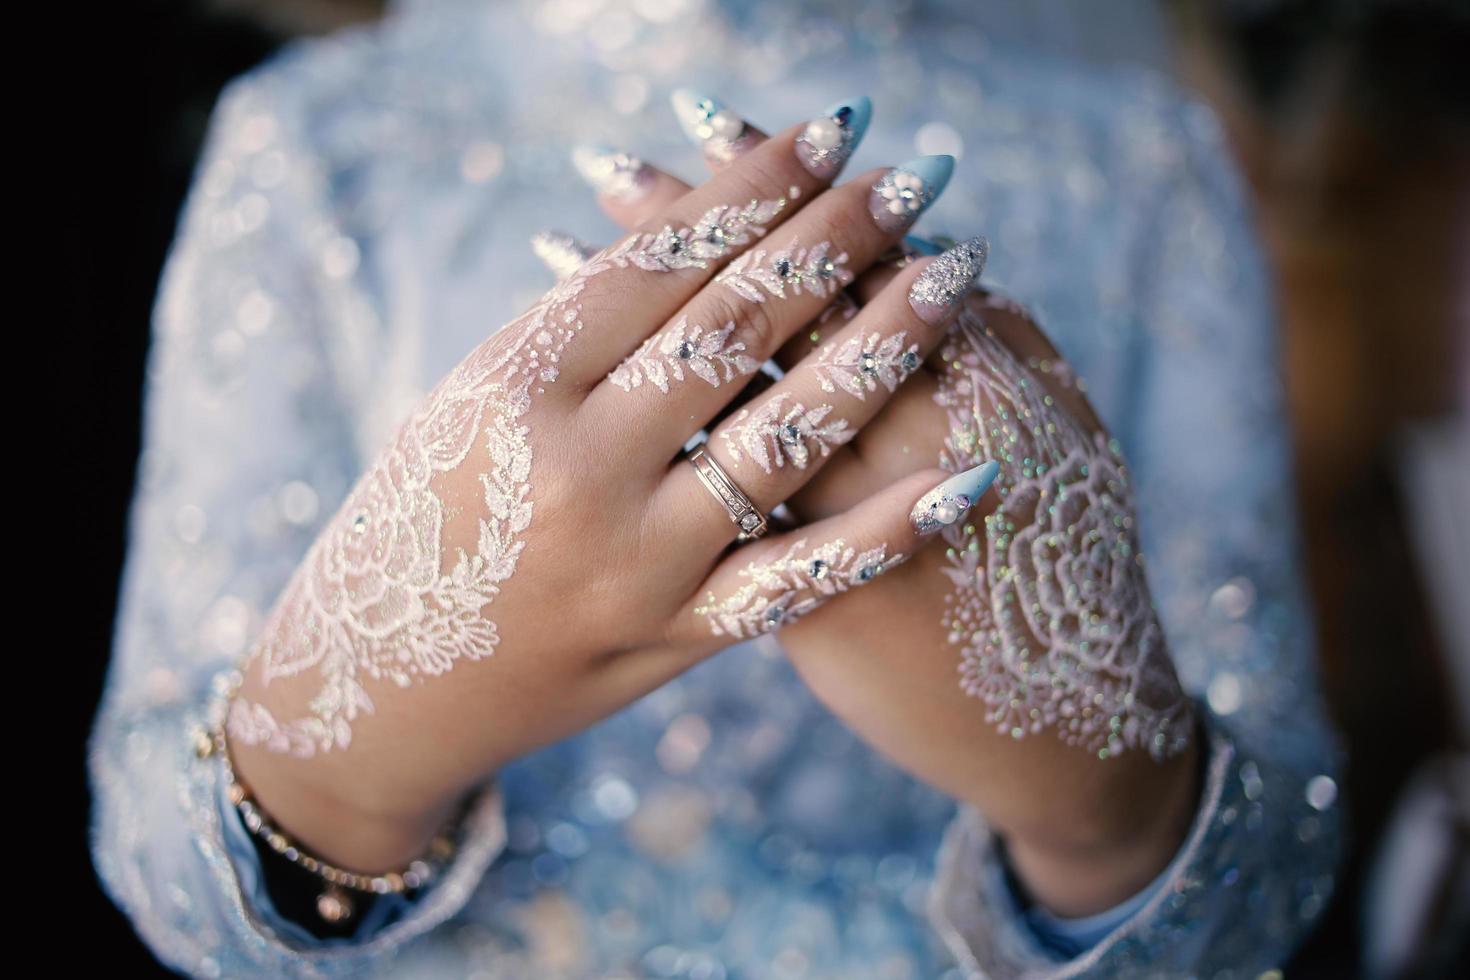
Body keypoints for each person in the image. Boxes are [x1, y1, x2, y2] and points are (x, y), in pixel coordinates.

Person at [88, 1, 1343, 975]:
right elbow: (159, 858)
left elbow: (1275, 884)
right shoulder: (322, 145)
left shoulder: (1131, 161)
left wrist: (1102, 800)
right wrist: (357, 735)